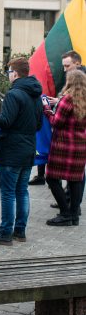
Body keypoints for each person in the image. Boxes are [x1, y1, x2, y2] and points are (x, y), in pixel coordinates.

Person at [0, 57, 42, 246]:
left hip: (12, 150)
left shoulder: (14, 94)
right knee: (22, 191)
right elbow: (39, 124)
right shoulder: (35, 94)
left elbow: (5, 121)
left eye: (9, 72)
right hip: (28, 149)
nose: (8, 75)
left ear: (15, 73)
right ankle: (20, 231)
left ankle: (5, 233)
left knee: (8, 192)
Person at [44, 70, 86, 226]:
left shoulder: (67, 99)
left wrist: (47, 110)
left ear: (70, 82)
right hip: (80, 145)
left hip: (63, 145)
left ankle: (65, 213)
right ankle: (74, 215)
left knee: (51, 178)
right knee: (75, 180)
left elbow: (56, 122)